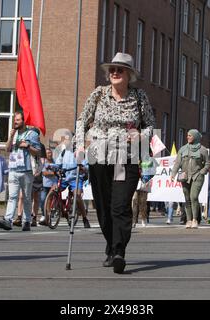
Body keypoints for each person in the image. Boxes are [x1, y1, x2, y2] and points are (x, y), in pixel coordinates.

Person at [76, 52, 155, 274]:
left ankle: (119, 251)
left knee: (120, 205)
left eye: (120, 70)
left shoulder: (139, 97)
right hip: (98, 155)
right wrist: (79, 145)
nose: (115, 73)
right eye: (112, 69)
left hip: (126, 157)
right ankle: (111, 246)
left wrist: (141, 136)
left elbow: (150, 125)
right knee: (103, 205)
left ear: (129, 75)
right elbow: (82, 120)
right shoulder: (98, 94)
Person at [0, 112, 40, 231]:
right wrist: (10, 137)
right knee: (12, 196)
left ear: (24, 121)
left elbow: (38, 152)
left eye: (18, 120)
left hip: (26, 170)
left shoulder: (32, 134)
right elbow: (8, 149)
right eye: (15, 120)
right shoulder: (13, 134)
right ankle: (8, 220)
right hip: (13, 169)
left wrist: (28, 146)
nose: (15, 122)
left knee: (27, 197)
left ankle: (27, 221)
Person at [170, 129, 210, 229]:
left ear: (196, 137)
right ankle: (188, 220)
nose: (188, 137)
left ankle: (195, 220)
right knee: (187, 199)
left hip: (197, 176)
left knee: (194, 197)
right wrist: (173, 174)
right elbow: (177, 163)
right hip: (185, 177)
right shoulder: (182, 149)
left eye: (190, 135)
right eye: (187, 135)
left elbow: (207, 163)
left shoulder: (203, 150)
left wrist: (202, 172)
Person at [54, 129, 91, 228]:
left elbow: (86, 166)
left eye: (67, 139)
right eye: (64, 139)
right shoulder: (63, 152)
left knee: (77, 196)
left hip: (76, 178)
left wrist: (82, 167)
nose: (65, 142)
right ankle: (48, 214)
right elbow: (58, 163)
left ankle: (84, 218)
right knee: (53, 190)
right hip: (65, 177)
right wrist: (53, 167)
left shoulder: (79, 151)